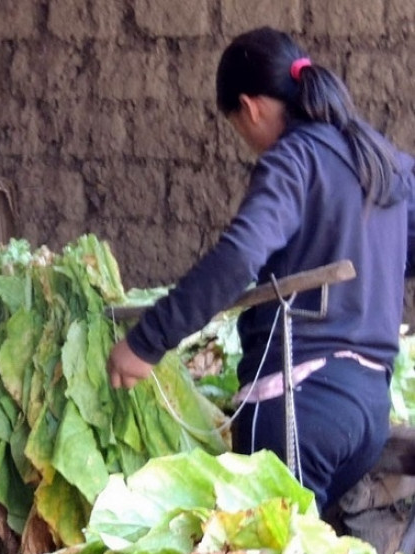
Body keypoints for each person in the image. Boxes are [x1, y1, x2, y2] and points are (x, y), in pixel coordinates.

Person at [106, 27, 415, 513]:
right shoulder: (385, 161)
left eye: (238, 125)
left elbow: (240, 255)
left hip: (300, 409)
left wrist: (147, 341)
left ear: (250, 108)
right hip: (367, 410)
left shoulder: (295, 159)